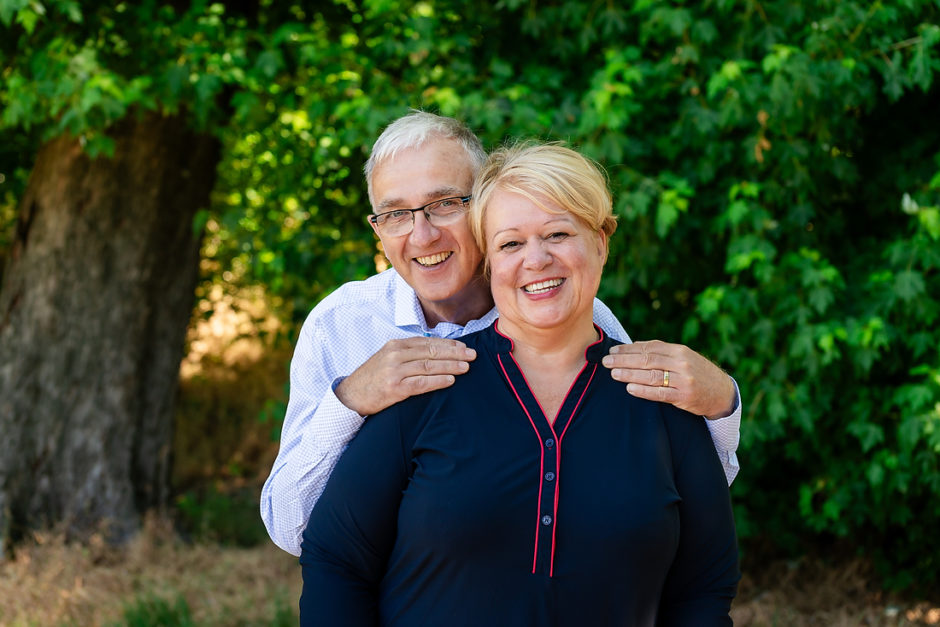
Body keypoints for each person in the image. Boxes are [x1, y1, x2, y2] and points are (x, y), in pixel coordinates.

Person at [260, 111, 742, 557]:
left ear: (486, 209)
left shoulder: (573, 314)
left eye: (444, 203)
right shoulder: (341, 325)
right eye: (395, 214)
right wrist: (347, 401)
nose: (422, 235)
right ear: (378, 230)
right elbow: (291, 528)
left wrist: (722, 404)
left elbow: (675, 496)